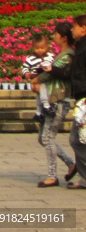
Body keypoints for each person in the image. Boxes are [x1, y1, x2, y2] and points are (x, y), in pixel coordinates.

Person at [34, 22, 77, 187]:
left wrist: (34, 80)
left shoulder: (67, 55)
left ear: (64, 38)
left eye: (56, 34)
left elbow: (49, 74)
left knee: (47, 137)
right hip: (53, 99)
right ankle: (71, 164)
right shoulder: (62, 54)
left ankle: (52, 176)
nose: (53, 37)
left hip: (59, 101)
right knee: (42, 138)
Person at [68, 15, 86, 188]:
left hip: (85, 100)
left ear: (84, 28)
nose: (72, 30)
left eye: (74, 26)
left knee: (77, 139)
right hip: (81, 98)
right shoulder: (80, 46)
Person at [22, 33, 55, 121]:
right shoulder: (30, 58)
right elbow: (25, 67)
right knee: (40, 91)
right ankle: (46, 106)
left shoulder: (50, 56)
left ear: (46, 46)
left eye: (42, 48)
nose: (40, 50)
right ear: (33, 47)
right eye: (37, 48)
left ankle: (38, 113)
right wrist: (26, 73)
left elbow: (54, 65)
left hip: (46, 77)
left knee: (40, 94)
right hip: (36, 77)